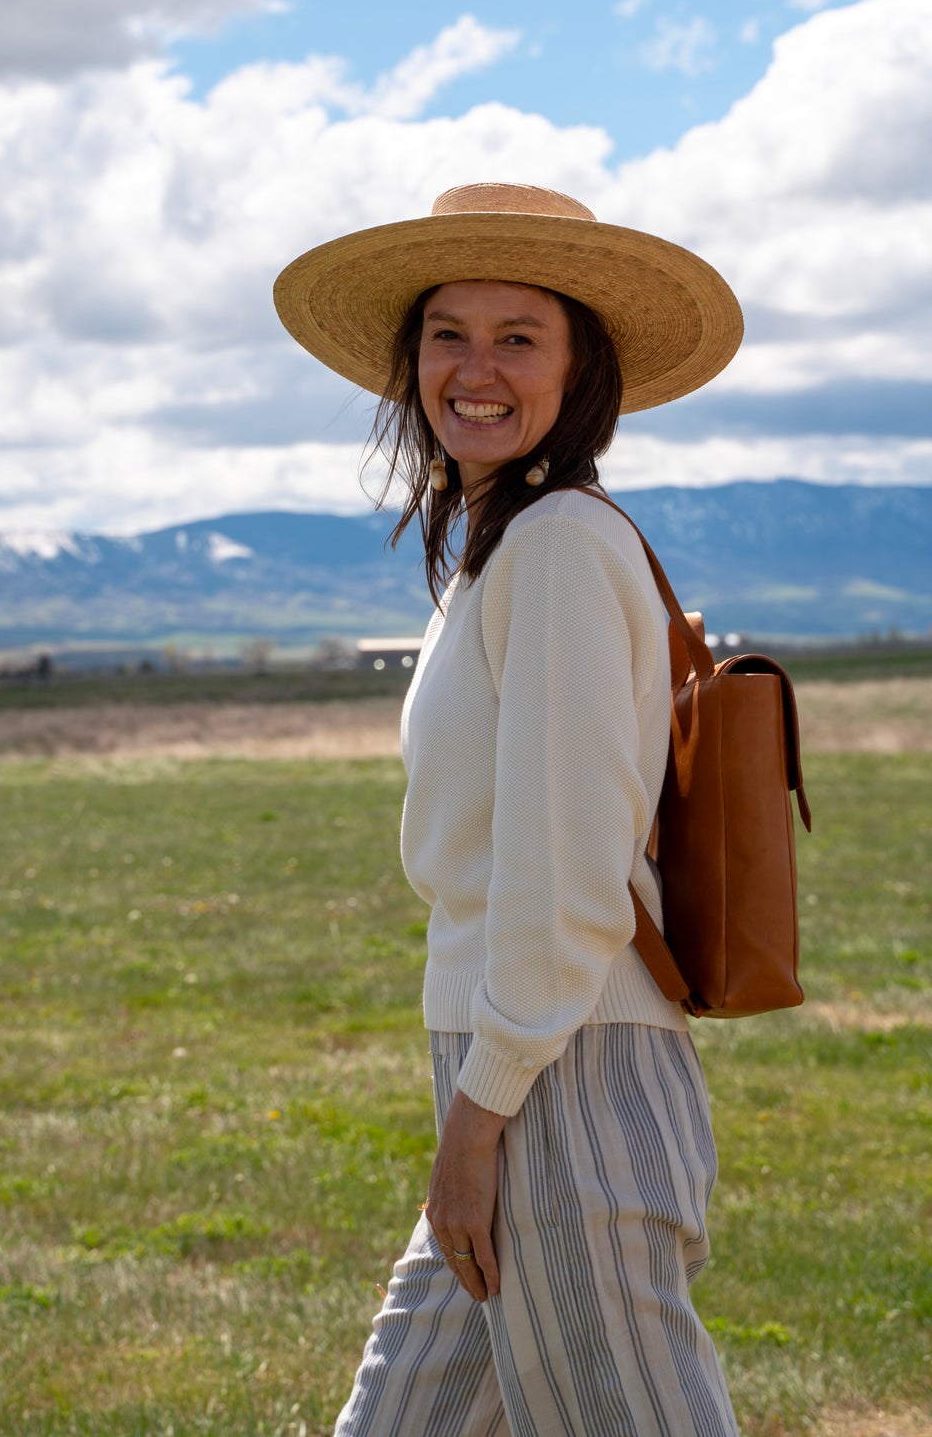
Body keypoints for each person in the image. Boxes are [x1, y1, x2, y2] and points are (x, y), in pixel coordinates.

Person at [273, 182, 743, 1437]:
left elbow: (564, 869)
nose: (473, 368)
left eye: (517, 336)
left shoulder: (555, 547)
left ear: (580, 367)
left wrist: (477, 1119)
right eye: (445, 333)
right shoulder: (499, 546)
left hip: (557, 1075)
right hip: (509, 1064)